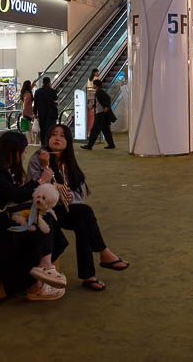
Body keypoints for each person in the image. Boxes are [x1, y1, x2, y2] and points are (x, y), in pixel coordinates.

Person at [0, 131, 69, 300]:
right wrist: (42, 179)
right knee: (41, 222)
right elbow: (17, 195)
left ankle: (45, 267)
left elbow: (15, 193)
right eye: (23, 151)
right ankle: (39, 277)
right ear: (14, 152)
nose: (25, 154)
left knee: (42, 218)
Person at [29, 125, 129, 292]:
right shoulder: (38, 158)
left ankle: (88, 275)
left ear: (68, 142)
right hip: (46, 211)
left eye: (62, 136)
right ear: (47, 139)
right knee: (86, 212)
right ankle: (103, 253)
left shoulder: (69, 161)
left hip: (67, 209)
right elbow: (37, 190)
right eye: (53, 135)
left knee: (83, 223)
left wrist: (68, 197)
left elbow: (79, 193)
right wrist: (46, 166)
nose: (57, 138)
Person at [82, 79, 115, 150]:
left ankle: (89, 145)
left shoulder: (99, 92)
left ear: (96, 85)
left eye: (93, 84)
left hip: (100, 114)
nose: (93, 85)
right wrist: (94, 106)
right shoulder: (100, 92)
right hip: (103, 114)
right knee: (106, 130)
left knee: (94, 130)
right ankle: (111, 144)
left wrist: (106, 106)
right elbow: (101, 101)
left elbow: (107, 99)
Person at [33, 77, 58, 146]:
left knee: (43, 129)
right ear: (49, 83)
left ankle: (43, 144)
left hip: (42, 113)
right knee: (50, 129)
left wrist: (35, 112)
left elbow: (36, 103)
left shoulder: (38, 91)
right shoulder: (51, 91)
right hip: (51, 113)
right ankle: (49, 143)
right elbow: (55, 98)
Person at [19, 80, 36, 146]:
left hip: (27, 112)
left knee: (28, 127)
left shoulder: (25, 92)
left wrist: (32, 84)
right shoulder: (28, 94)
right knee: (28, 127)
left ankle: (30, 140)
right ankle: (30, 141)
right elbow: (25, 104)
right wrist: (24, 112)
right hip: (28, 112)